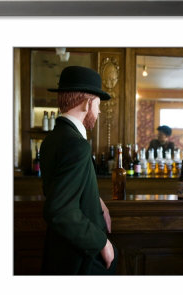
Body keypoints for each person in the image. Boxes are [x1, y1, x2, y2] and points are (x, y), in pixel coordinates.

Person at [40, 66, 117, 275]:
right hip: (80, 258)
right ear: (86, 103)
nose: (99, 112)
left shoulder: (52, 140)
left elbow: (63, 188)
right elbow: (60, 209)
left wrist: (98, 201)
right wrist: (102, 243)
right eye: (98, 105)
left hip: (61, 251)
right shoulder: (77, 144)